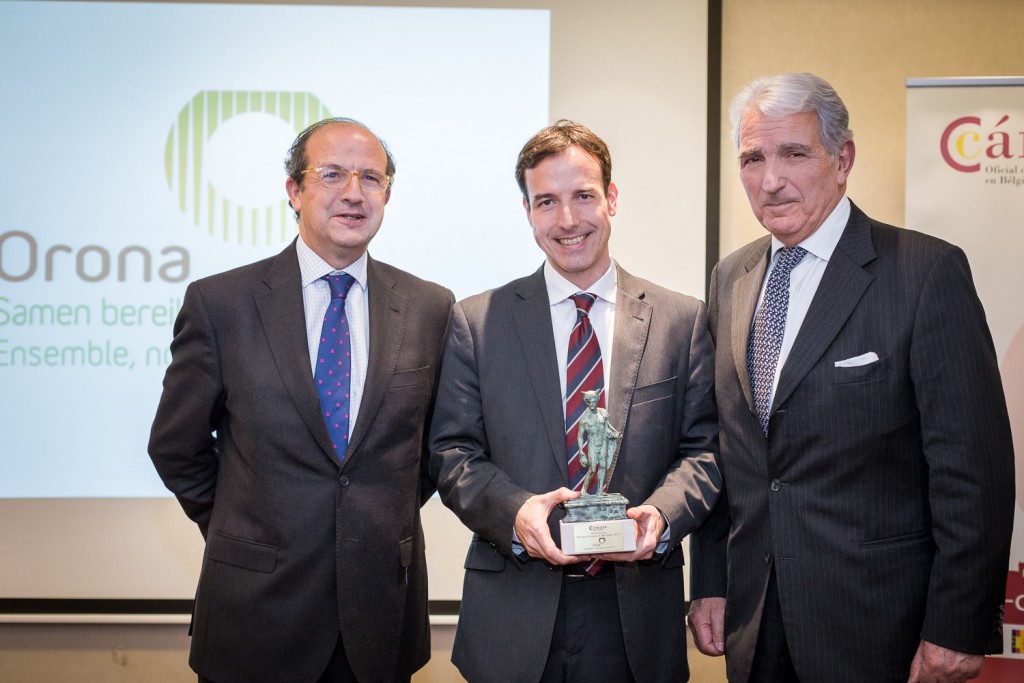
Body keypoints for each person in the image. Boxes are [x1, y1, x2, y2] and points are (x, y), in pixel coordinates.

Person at [688, 72, 1015, 683]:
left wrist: (957, 624)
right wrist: (709, 581)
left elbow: (974, 469)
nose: (771, 179)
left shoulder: (925, 273)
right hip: (755, 624)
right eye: (752, 158)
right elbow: (728, 449)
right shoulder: (729, 278)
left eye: (794, 153)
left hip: (881, 627)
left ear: (843, 159)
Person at [148, 117, 454, 683]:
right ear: (294, 190)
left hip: (380, 615)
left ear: (388, 193)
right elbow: (176, 447)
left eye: (371, 178)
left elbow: (434, 450)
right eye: (332, 174)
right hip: (253, 613)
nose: (354, 193)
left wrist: (371, 517)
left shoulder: (430, 308)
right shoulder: (222, 304)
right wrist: (242, 523)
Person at [429, 120, 722, 682]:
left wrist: (661, 515)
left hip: (635, 617)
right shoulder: (476, 322)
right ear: (527, 211)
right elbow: (452, 454)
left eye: (583, 196)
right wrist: (516, 512)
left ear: (611, 198)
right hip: (513, 614)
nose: (567, 220)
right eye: (547, 201)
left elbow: (706, 450)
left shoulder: (680, 321)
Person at [577, 388, 619, 496]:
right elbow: (580, 436)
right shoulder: (584, 419)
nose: (592, 404)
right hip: (592, 445)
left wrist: (615, 433)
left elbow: (608, 426)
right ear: (586, 402)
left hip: (603, 443)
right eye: (589, 402)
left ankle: (600, 490)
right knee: (592, 469)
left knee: (603, 466)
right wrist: (581, 452)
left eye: (594, 401)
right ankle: (583, 490)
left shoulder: (602, 413)